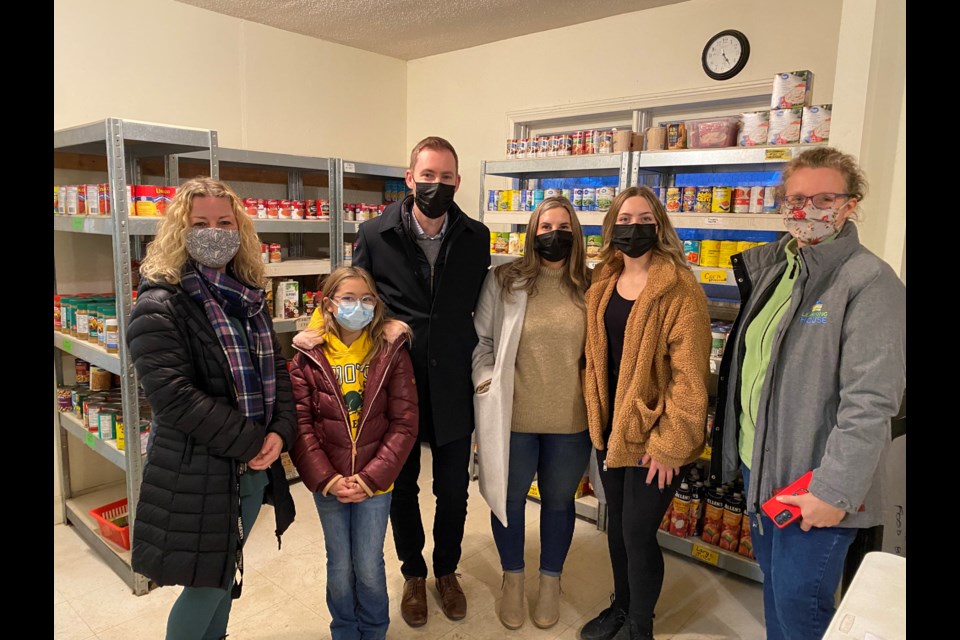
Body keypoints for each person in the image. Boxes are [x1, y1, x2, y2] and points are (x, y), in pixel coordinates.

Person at [710, 147, 906, 640]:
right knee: (776, 597)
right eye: (796, 198)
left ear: (850, 205)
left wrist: (832, 491)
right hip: (764, 471)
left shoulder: (869, 281)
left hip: (814, 484)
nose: (806, 210)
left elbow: (871, 400)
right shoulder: (779, 269)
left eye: (823, 198)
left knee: (801, 614)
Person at [294, 137, 490, 626]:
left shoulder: (476, 235)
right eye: (427, 176)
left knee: (452, 489)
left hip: (452, 382)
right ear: (410, 178)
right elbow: (351, 294)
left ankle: (447, 570)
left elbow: (480, 305)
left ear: (458, 182)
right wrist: (315, 332)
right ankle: (415, 574)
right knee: (400, 486)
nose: (435, 186)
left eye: (446, 178)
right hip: (391, 379)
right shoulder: (376, 233)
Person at [127, 177, 297, 640]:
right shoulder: (159, 304)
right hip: (197, 469)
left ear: (240, 230)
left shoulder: (248, 296)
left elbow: (277, 372)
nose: (214, 232)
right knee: (206, 584)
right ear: (179, 230)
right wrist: (254, 440)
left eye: (225, 222)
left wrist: (280, 431)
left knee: (225, 573)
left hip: (251, 467)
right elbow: (174, 397)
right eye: (200, 223)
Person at [578, 186, 712, 640]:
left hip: (654, 434)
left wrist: (671, 445)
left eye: (645, 220)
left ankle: (640, 625)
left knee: (637, 532)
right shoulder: (603, 281)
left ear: (659, 226)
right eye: (625, 220)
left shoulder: (680, 288)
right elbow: (596, 358)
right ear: (611, 226)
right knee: (616, 528)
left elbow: (690, 378)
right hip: (612, 428)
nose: (634, 228)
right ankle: (622, 606)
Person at [472, 196, 592, 630]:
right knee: (508, 500)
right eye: (544, 227)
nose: (553, 234)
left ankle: (549, 583)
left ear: (575, 234)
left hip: (571, 422)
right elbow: (483, 342)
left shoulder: (589, 285)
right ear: (532, 233)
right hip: (513, 419)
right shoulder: (505, 279)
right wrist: (486, 385)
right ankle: (513, 580)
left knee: (559, 503)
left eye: (562, 226)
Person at [289, 266, 418, 640]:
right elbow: (300, 424)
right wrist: (327, 478)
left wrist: (371, 476)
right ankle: (345, 630)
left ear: (376, 305)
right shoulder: (309, 355)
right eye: (347, 299)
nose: (356, 307)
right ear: (328, 304)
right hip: (328, 482)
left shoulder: (390, 350)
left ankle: (375, 630)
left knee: (369, 564)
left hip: (375, 484)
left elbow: (405, 422)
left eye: (365, 299)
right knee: (339, 564)